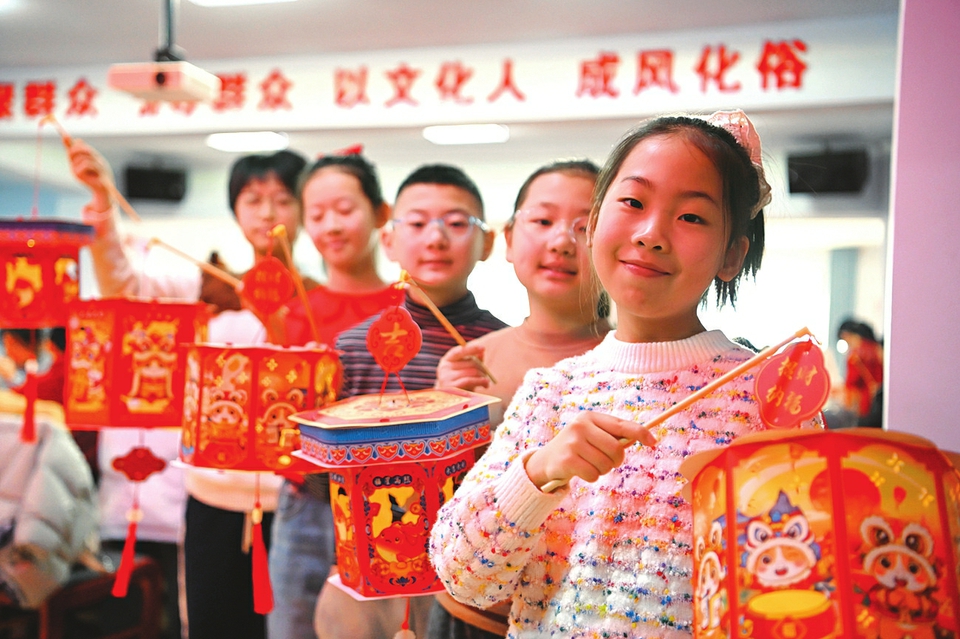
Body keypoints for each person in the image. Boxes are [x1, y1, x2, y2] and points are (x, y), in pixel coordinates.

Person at [429, 112, 820, 637]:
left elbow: (806, 583)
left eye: (692, 217)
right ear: (593, 224)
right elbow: (462, 577)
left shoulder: (767, 395)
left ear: (731, 254)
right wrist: (539, 472)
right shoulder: (550, 392)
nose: (651, 234)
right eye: (633, 202)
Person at [69, 140, 308, 639]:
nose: (268, 213)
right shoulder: (207, 285)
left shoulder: (319, 297)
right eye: (253, 200)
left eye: (283, 199)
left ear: (304, 208)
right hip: (209, 496)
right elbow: (124, 286)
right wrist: (103, 202)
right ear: (236, 211)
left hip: (297, 499)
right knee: (211, 625)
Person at [313, 164, 508, 639]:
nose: (435, 238)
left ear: (486, 243)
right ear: (389, 240)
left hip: (468, 575)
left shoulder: (503, 346)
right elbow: (324, 475)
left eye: (456, 223)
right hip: (368, 567)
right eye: (417, 223)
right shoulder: (353, 347)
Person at [427, 159, 612, 638]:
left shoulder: (628, 366)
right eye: (543, 220)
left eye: (585, 227)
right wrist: (442, 411)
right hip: (465, 611)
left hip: (572, 615)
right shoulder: (470, 361)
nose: (561, 242)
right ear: (509, 239)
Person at [268, 152, 401, 639]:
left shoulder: (407, 310)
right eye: (317, 214)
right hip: (306, 500)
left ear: (380, 213)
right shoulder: (290, 314)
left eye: (345, 210)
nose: (331, 226)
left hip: (388, 500)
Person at [837, 318, 883, 420]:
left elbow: (851, 383)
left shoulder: (855, 356)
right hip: (881, 402)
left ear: (845, 335)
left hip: (866, 404)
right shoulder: (877, 348)